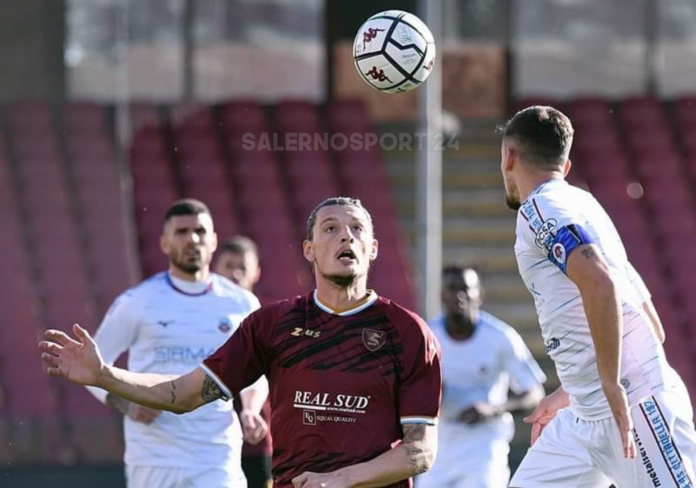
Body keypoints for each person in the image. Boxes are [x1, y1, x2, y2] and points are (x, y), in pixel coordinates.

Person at [40, 196, 442, 488]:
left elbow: (420, 451)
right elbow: (182, 393)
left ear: (372, 249)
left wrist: (340, 481)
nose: (345, 237)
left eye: (356, 229)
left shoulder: (407, 333)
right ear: (309, 250)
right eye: (331, 229)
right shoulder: (273, 324)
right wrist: (104, 375)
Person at [498, 106, 696, 487]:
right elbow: (652, 323)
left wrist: (609, 384)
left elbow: (600, 283)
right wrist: (573, 388)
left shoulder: (538, 208)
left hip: (633, 406)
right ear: (566, 166)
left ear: (509, 155)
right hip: (583, 416)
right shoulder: (585, 205)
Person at [85, 199, 269, 488]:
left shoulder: (242, 303)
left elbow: (256, 370)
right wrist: (126, 404)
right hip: (154, 459)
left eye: (200, 231)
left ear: (213, 241)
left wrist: (250, 408)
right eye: (182, 232)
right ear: (165, 243)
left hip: (216, 456)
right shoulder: (137, 302)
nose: (192, 239)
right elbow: (92, 369)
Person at [417, 265, 545, 488]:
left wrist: (493, 409)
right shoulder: (427, 336)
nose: (459, 296)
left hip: (484, 447)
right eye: (451, 288)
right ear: (441, 295)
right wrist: (432, 393)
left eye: (465, 289)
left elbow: (534, 393)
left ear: (480, 295)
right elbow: (409, 388)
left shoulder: (500, 337)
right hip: (439, 446)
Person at [215, 235, 273, 488]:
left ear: (256, 272)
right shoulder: (195, 320)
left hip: (253, 436)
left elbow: (260, 374)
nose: (235, 274)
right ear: (215, 269)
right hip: (206, 438)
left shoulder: (265, 319)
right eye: (229, 266)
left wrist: (249, 409)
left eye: (243, 268)